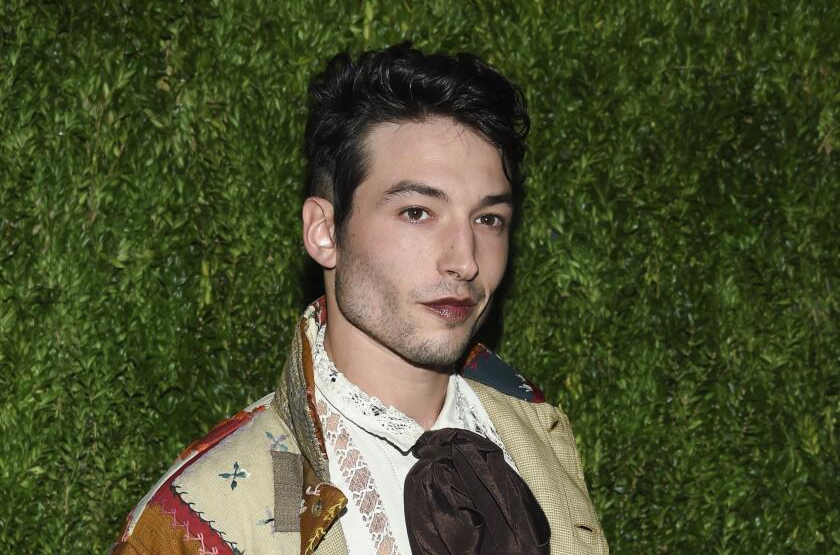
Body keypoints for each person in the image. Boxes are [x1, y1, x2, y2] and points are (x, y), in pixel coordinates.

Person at [111, 42, 609, 555]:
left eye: (488, 219)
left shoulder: (540, 435)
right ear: (325, 232)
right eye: (417, 212)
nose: (465, 260)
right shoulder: (206, 517)